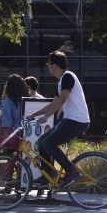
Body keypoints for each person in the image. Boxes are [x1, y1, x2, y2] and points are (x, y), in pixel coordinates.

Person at [25, 51, 90, 188]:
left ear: (54, 65)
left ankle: (72, 172)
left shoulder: (67, 77)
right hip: (70, 120)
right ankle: (47, 178)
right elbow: (52, 104)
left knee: (49, 143)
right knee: (42, 142)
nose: (48, 68)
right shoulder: (61, 81)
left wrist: (46, 116)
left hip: (77, 121)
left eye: (48, 65)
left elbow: (61, 100)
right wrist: (34, 115)